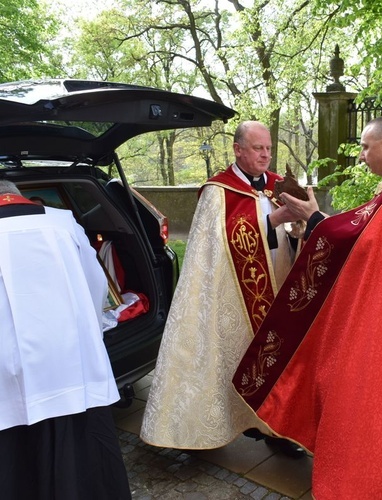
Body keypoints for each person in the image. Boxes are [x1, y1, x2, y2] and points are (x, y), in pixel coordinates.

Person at [233, 116, 382, 498]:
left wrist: (312, 217)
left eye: (366, 147)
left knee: (354, 385)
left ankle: (377, 475)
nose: (362, 156)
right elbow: (371, 236)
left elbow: (358, 241)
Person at [141, 121, 305, 455]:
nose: (265, 155)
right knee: (231, 361)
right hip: (233, 300)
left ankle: (278, 431)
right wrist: (274, 220)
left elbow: (294, 234)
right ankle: (217, 426)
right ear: (238, 149)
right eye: (258, 148)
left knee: (279, 360)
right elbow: (214, 246)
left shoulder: (278, 185)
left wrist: (297, 224)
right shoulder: (218, 191)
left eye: (269, 148)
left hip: (278, 287)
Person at [0, 180, 131, 500]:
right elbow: (96, 287)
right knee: (80, 456)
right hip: (70, 361)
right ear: (19, 196)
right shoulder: (63, 223)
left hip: (8, 374)